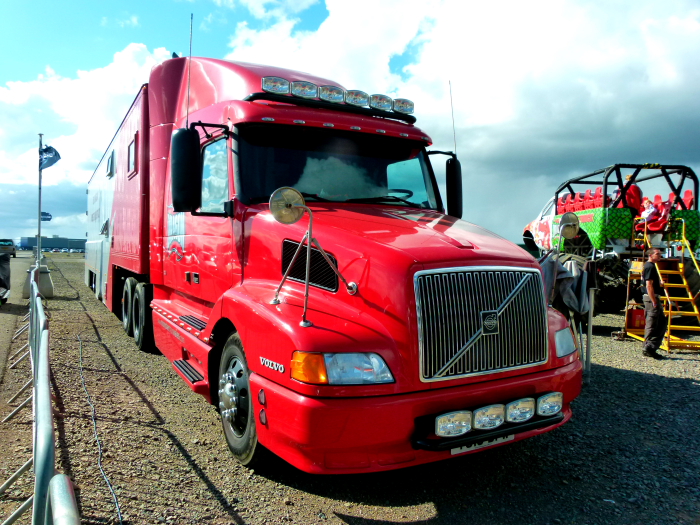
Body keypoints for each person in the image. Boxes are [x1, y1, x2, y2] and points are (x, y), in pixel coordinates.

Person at [642, 248, 666, 359]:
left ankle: (650, 347)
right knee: (653, 324)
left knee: (660, 323)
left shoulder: (650, 266)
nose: (660, 255)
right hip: (652, 299)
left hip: (653, 297)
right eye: (657, 254)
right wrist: (654, 301)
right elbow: (649, 285)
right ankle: (648, 347)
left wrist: (659, 283)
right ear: (650, 255)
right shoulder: (650, 266)